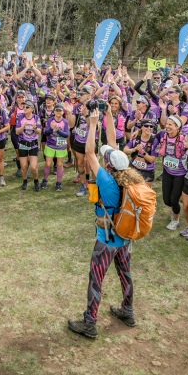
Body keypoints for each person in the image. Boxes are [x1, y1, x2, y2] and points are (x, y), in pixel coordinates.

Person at [67, 110, 137, 339]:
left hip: (106, 239)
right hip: (125, 237)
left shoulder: (106, 180)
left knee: (96, 279)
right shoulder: (127, 174)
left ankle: (90, 322)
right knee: (125, 273)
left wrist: (93, 124)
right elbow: (112, 144)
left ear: (108, 164)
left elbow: (89, 152)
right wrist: (108, 116)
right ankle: (127, 310)